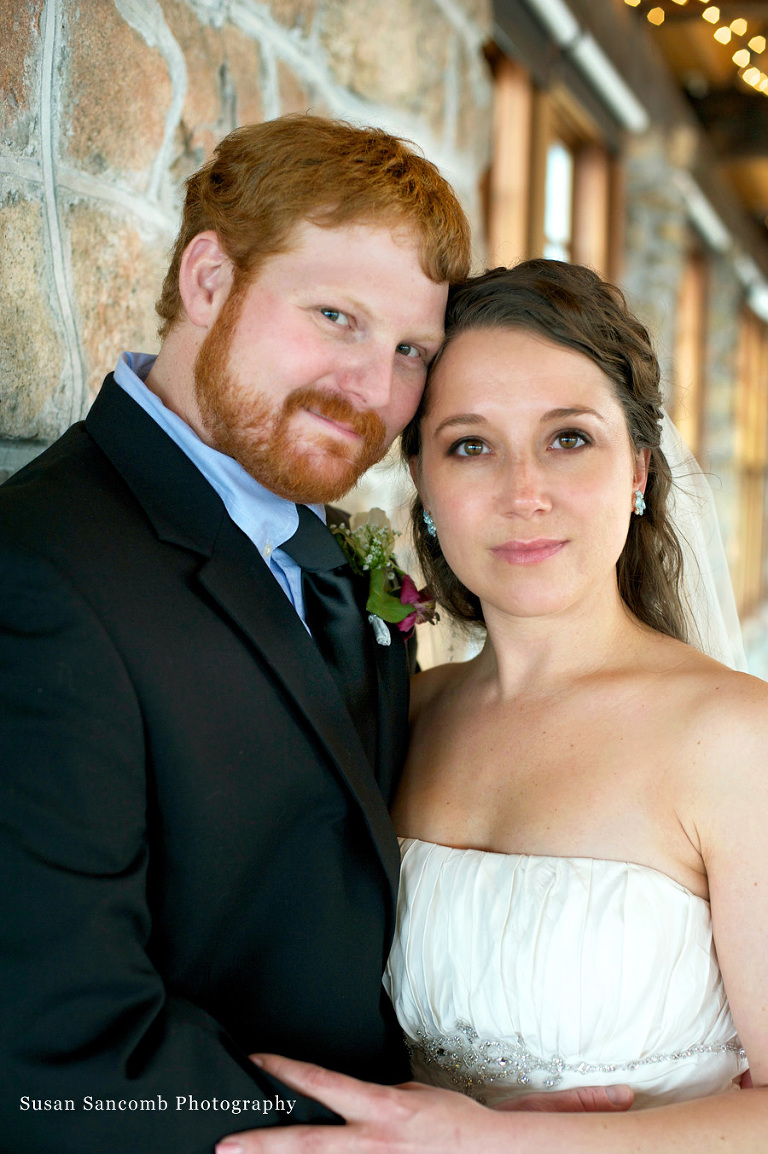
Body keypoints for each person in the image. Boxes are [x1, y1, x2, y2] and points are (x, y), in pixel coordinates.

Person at [224, 261, 768, 1153]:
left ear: (638, 466)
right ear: (424, 488)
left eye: (569, 439)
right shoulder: (402, 715)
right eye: (471, 445)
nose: (525, 493)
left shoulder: (739, 741)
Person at [0, 114, 467, 1154]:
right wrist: (392, 1140)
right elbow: (56, 1055)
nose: (371, 390)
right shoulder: (37, 575)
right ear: (208, 279)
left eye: (409, 351)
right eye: (337, 316)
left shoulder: (346, 559)